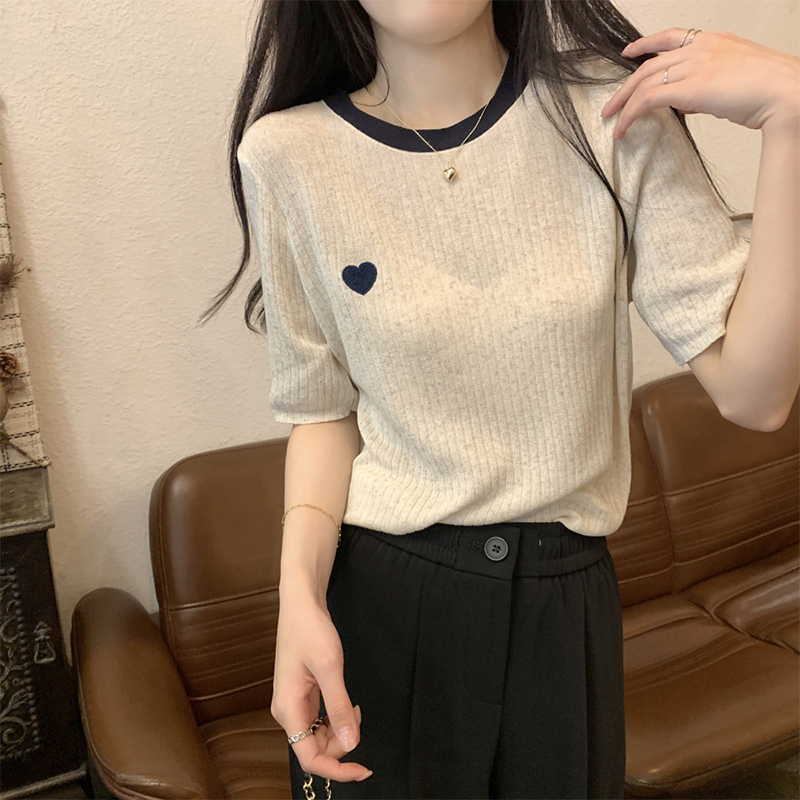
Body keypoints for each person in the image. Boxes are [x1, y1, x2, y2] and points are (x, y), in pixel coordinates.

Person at [199, 1, 752, 797]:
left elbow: (756, 392)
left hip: (565, 606)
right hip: (380, 605)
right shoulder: (287, 155)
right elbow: (322, 412)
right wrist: (299, 601)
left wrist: (792, 120)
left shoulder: (612, 110)